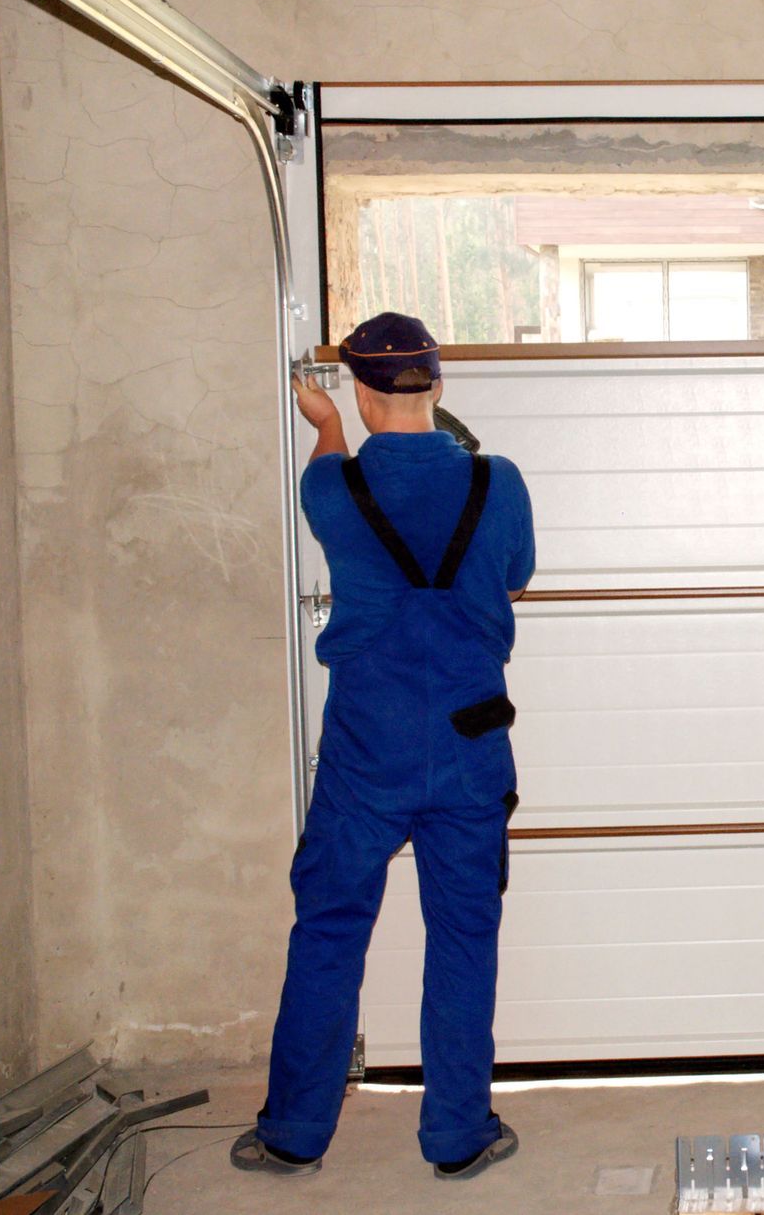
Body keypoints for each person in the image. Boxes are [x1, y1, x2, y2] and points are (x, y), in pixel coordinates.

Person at [233, 312, 535, 1181]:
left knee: (329, 928)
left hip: (368, 748)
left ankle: (293, 1132)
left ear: (364, 392)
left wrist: (325, 427)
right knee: (465, 933)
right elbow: (515, 569)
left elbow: (329, 471)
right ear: (437, 386)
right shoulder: (499, 482)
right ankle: (457, 1135)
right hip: (472, 742)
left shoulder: (333, 490)